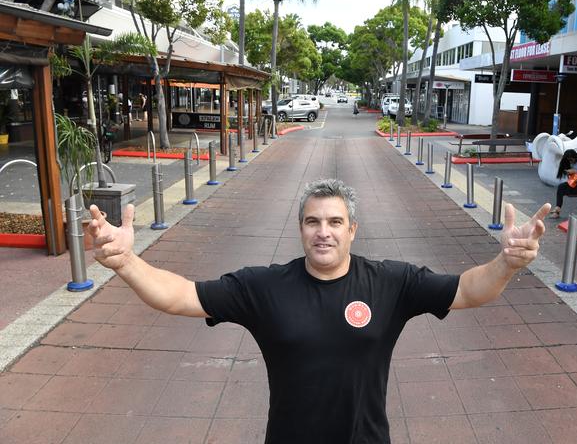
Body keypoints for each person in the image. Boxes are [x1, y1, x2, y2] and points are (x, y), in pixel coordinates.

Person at [88, 178, 551, 444]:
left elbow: (469, 290)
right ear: (300, 229)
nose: (322, 232)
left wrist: (505, 264)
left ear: (353, 230)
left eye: (334, 223)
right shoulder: (264, 286)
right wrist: (127, 262)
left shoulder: (390, 281)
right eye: (312, 222)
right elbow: (181, 296)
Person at [549, 149, 577, 219]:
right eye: (569, 160)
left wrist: (574, 171)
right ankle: (557, 209)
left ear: (575, 156)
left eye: (571, 159)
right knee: (561, 187)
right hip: (574, 184)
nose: (570, 161)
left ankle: (557, 211)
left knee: (561, 190)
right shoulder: (571, 163)